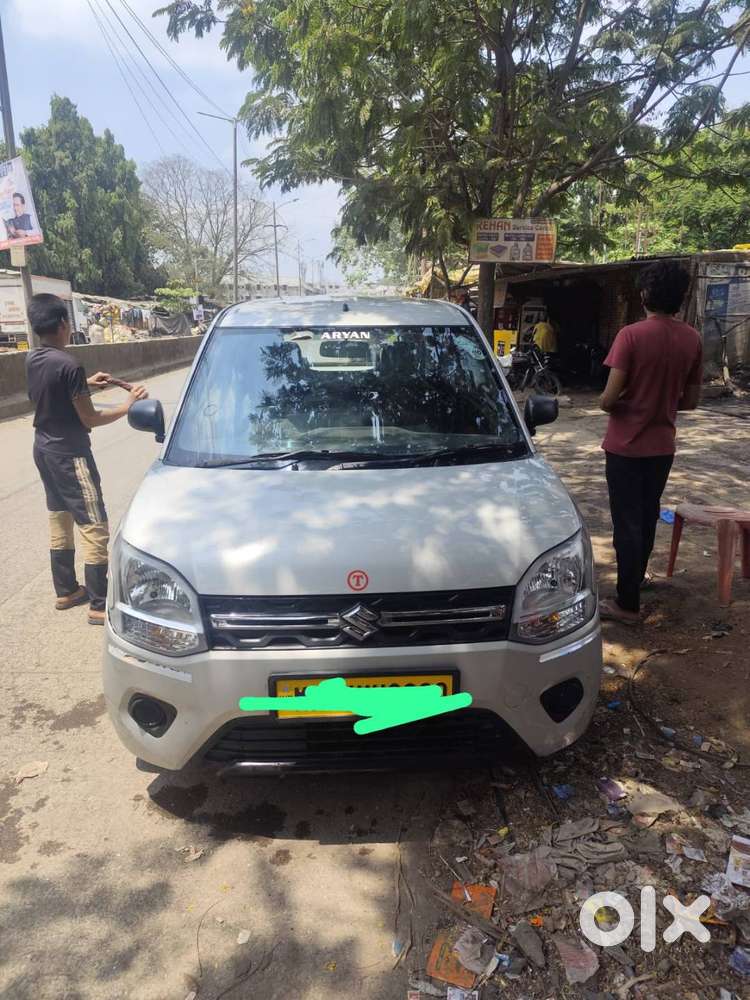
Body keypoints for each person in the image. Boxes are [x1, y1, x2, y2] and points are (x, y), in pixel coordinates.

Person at [25, 294, 148, 625]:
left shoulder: (33, 359)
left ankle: (66, 589)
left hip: (44, 450)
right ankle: (97, 601)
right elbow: (89, 419)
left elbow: (55, 395)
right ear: (64, 324)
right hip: (70, 453)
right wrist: (128, 405)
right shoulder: (68, 365)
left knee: (60, 516)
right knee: (94, 523)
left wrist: (87, 384)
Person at [599, 260, 702, 625]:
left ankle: (627, 605)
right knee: (645, 519)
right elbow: (690, 401)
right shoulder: (692, 338)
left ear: (644, 294)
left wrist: (626, 399)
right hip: (662, 447)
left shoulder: (630, 335)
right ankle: (635, 581)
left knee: (625, 523)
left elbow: (608, 399)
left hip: (625, 446)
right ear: (681, 297)